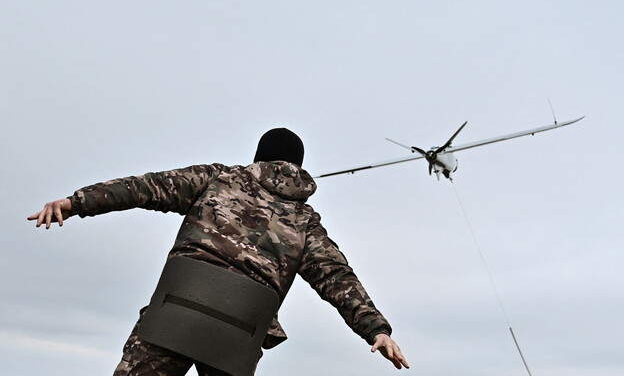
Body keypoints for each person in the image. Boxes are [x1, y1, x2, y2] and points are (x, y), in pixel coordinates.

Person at [28, 128, 409, 375]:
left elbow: (145, 187)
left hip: (178, 307)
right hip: (238, 331)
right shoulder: (304, 221)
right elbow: (337, 277)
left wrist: (77, 202)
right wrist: (376, 329)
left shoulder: (217, 178)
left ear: (259, 157)